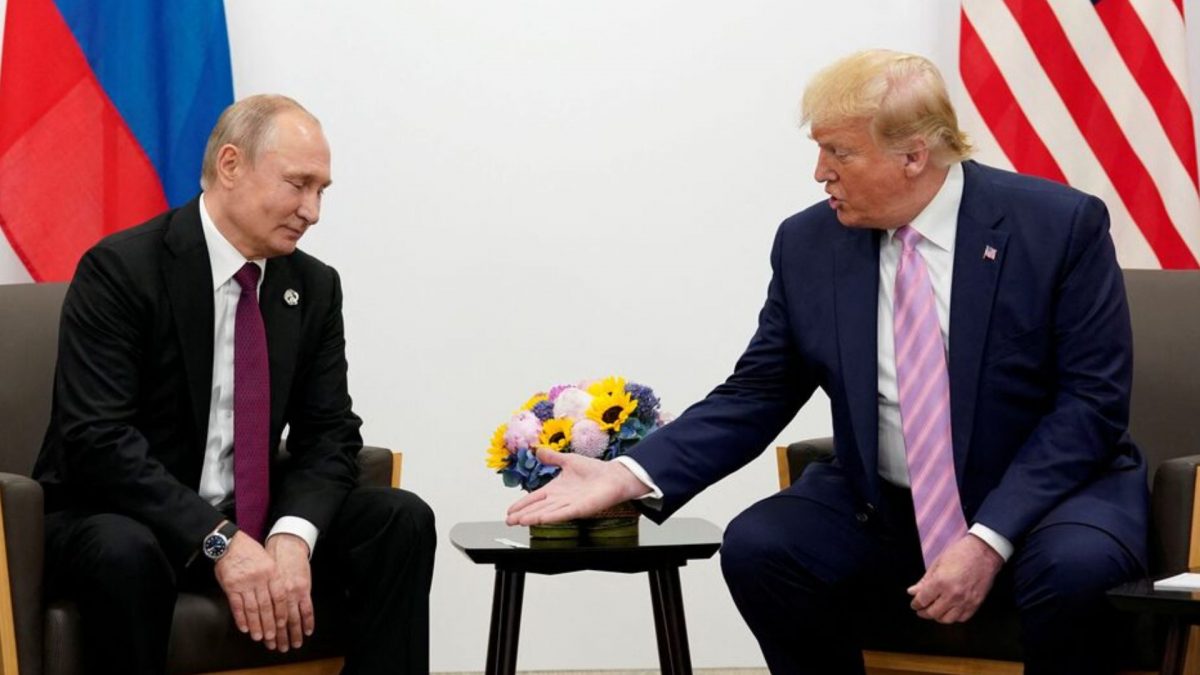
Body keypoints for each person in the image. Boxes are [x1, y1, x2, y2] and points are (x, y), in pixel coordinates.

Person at [507, 50, 1147, 674]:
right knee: (763, 547)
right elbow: (756, 393)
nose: (820, 172)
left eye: (839, 152)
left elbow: (1089, 406)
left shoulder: (1057, 226)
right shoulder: (809, 242)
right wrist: (630, 473)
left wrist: (988, 536)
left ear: (913, 155)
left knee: (1075, 570)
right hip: (888, 504)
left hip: (1049, 500)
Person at [34, 94, 435, 675]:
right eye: (298, 184)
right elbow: (97, 439)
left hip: (252, 515)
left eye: (322, 190)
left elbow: (331, 434)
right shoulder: (122, 270)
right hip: (127, 517)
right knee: (125, 551)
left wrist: (293, 536)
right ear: (230, 166)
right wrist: (218, 540)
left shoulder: (314, 287)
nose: (313, 210)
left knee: (400, 520)